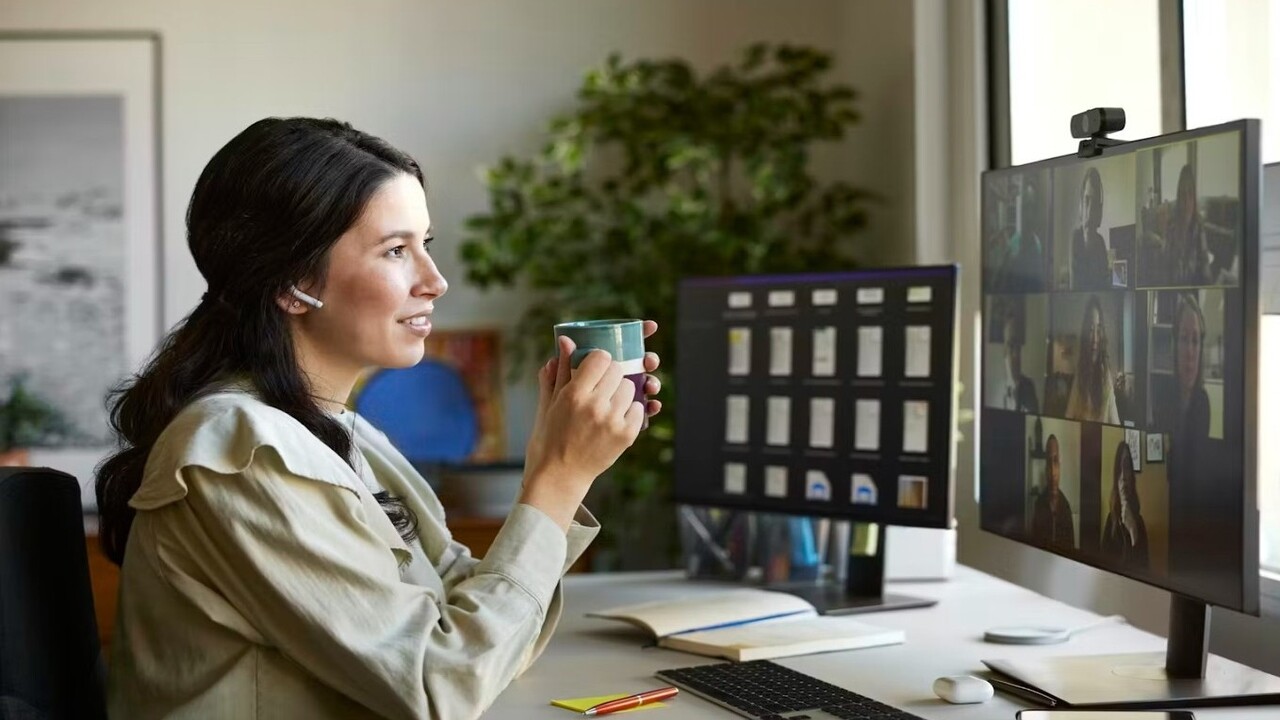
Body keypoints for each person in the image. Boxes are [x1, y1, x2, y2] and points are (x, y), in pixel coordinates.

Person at [94, 117, 664, 719]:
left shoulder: (342, 434)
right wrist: (559, 479)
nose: (434, 281)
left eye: (426, 245)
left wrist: (555, 459)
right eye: (396, 251)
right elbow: (439, 685)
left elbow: (473, 635)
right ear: (293, 283)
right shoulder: (241, 453)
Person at [1065, 295, 1120, 424]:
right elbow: (1067, 416)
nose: (1095, 338)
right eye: (1090, 330)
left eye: (1098, 329)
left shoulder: (1105, 376)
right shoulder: (1080, 375)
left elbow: (1115, 421)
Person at [1100, 441, 1149, 569]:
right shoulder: (1110, 521)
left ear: (1132, 476)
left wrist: (1133, 531)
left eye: (1126, 467)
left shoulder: (1139, 523)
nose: (1123, 476)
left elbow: (1145, 570)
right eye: (1119, 469)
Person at [1167, 163, 1213, 286]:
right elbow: (1166, 271)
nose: (1186, 201)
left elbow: (1205, 268)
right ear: (1178, 197)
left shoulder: (1199, 226)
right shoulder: (1171, 226)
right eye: (1182, 195)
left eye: (1190, 194)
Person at [1030, 434, 1076, 549]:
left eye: (1055, 461)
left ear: (1060, 466)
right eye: (1049, 462)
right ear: (1045, 468)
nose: (1052, 472)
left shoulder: (1066, 507)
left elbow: (1071, 549)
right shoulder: (1039, 505)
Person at [1071, 167, 1110, 291]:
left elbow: (1105, 282)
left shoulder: (1101, 242)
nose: (1089, 211)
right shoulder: (1075, 238)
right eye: (1086, 201)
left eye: (1094, 204)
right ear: (1081, 205)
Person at [1000, 306, 1039, 413]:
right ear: (1004, 351)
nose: (1016, 355)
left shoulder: (1029, 388)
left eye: (1018, 347)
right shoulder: (997, 389)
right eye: (1011, 346)